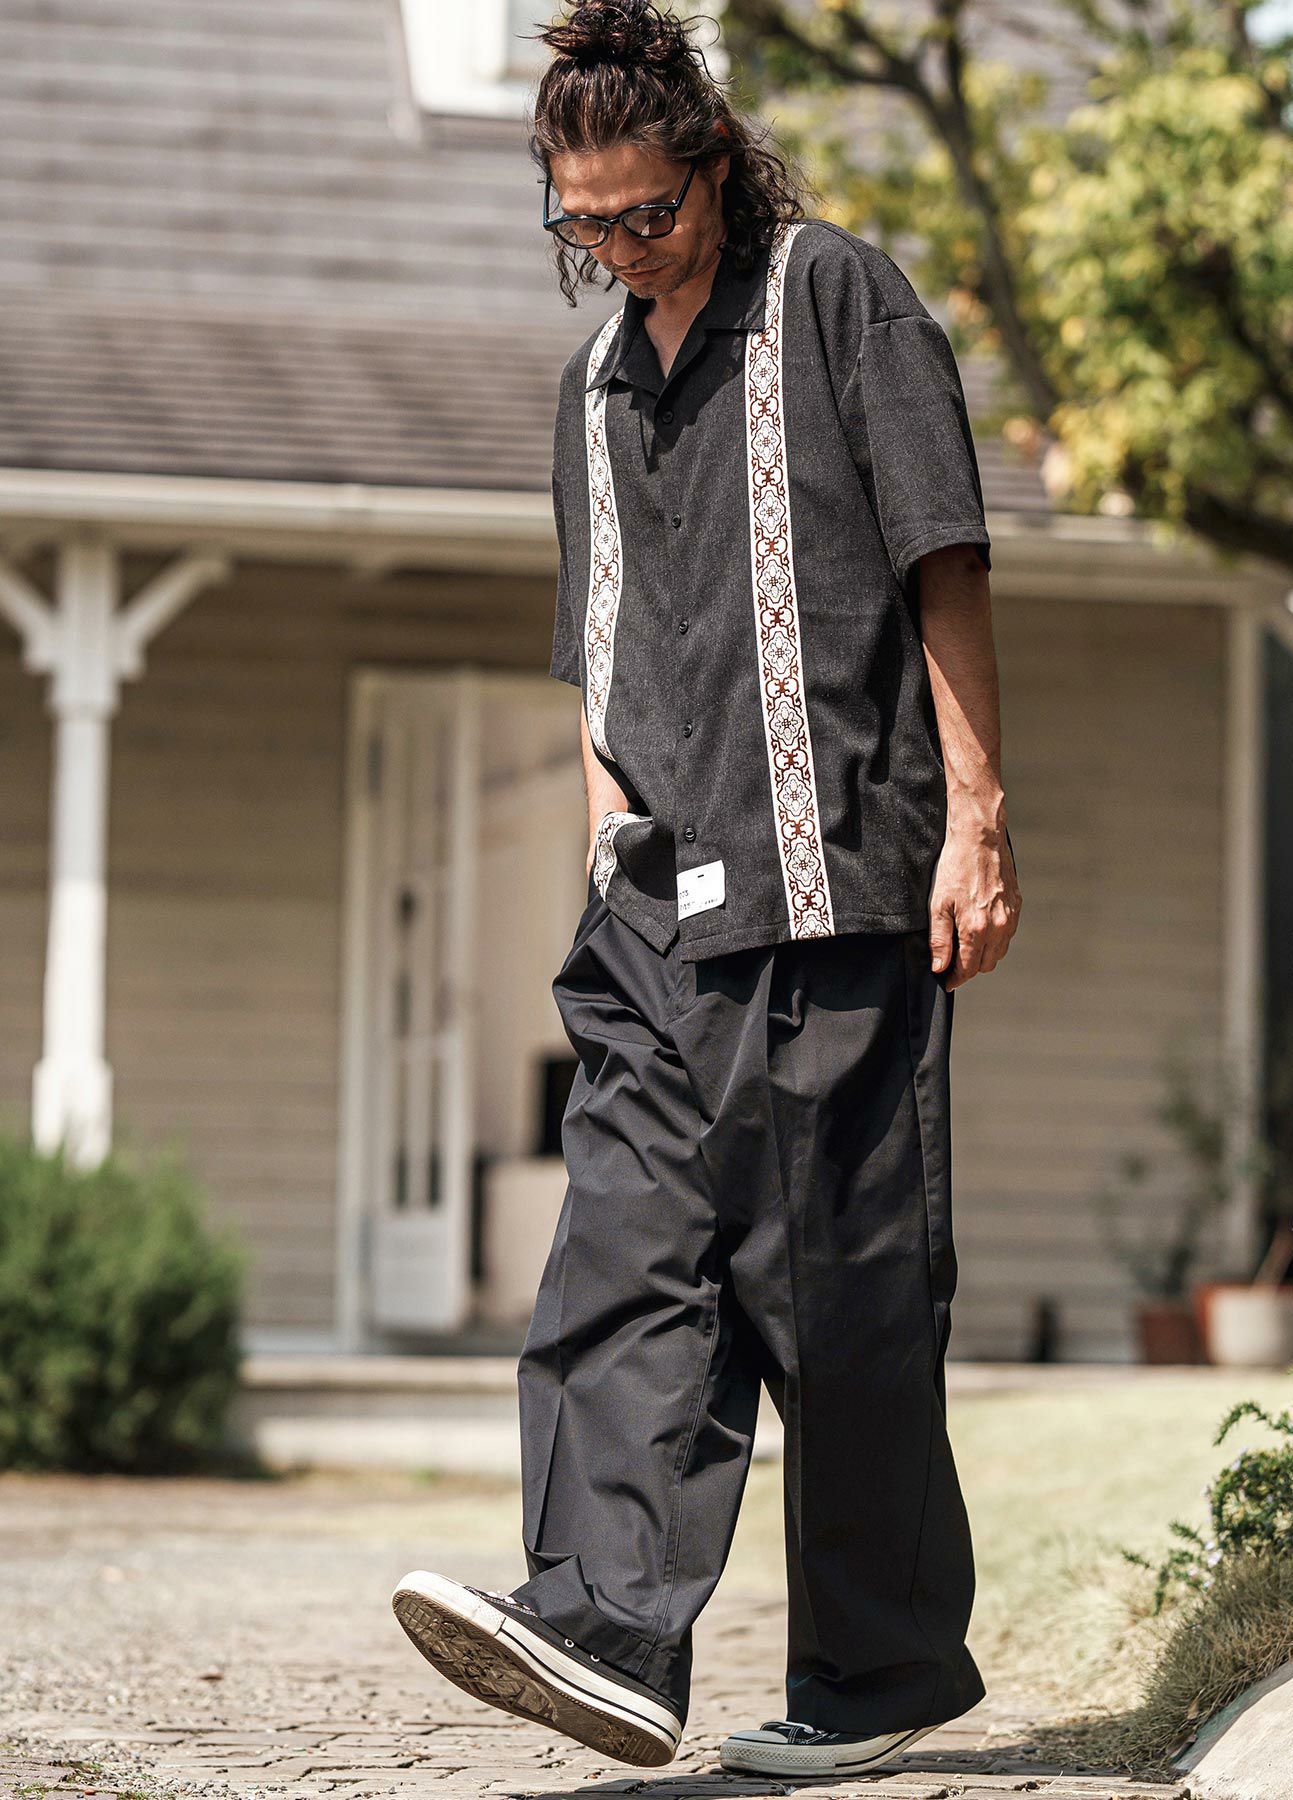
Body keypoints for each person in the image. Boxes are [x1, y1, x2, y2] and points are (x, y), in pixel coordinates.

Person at [392, 0, 1021, 1780]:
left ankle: (879, 1680)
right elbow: (601, 652)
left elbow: (943, 559)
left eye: (645, 213)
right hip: (657, 907)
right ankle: (604, 1626)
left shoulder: (837, 298)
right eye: (581, 220)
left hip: (837, 882)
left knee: (840, 1287)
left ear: (715, 167)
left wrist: (978, 815)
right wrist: (607, 837)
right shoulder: (594, 385)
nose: (617, 246)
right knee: (622, 1253)